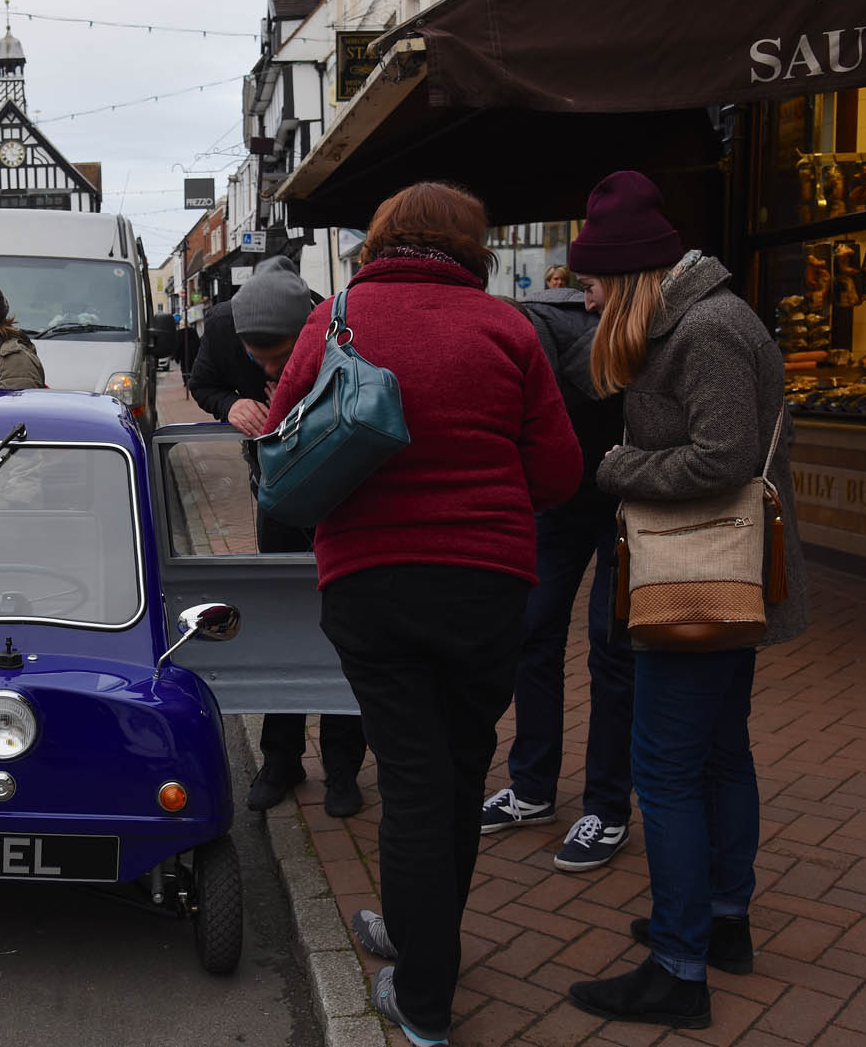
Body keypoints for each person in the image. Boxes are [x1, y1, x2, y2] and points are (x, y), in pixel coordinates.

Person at [266, 183, 581, 1046]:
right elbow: (557, 474)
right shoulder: (509, 328)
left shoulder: (338, 317)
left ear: (382, 237)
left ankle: (424, 992)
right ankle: (420, 942)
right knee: (459, 764)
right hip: (487, 584)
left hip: (369, 580)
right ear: (472, 244)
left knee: (408, 773)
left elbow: (290, 425)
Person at [564, 171, 809, 1029]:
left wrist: (617, 470)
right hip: (712, 578)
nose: (587, 303)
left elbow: (721, 458)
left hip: (698, 581)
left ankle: (677, 967)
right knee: (715, 756)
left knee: (664, 773)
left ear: (629, 275)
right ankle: (720, 922)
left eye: (591, 285)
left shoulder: (703, 329)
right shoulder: (695, 320)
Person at [188, 256, 368, 818]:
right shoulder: (219, 327)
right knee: (282, 616)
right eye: (257, 359)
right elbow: (202, 383)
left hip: (338, 488)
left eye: (282, 358)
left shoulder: (337, 323)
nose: (269, 371)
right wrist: (230, 404)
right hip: (277, 491)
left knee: (343, 620)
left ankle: (343, 767)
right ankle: (281, 758)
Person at [482, 288, 637, 872]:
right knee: (533, 634)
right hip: (561, 497)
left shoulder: (587, 347)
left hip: (626, 497)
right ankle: (532, 790)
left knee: (612, 647)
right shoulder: (511, 340)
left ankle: (607, 808)